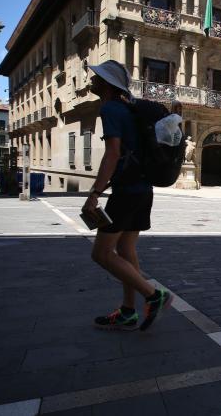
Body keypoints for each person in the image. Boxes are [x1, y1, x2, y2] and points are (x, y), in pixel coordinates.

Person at [83, 60, 172, 332]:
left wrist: (95, 192)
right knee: (125, 249)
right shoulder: (130, 109)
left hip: (126, 191)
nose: (92, 80)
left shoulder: (110, 108)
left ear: (107, 85)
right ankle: (127, 311)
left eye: (96, 77)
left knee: (100, 253)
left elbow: (112, 154)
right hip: (144, 190)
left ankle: (153, 295)